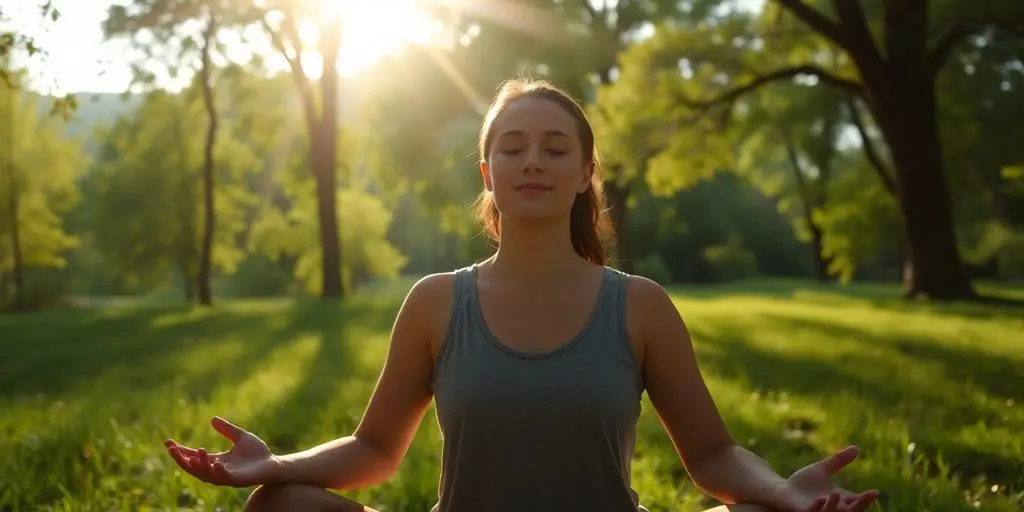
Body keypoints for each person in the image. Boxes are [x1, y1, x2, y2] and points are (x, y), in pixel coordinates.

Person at [163, 78, 881, 512]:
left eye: (554, 147)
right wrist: (276, 465)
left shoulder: (639, 306)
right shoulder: (437, 302)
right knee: (279, 505)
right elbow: (377, 448)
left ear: (583, 175)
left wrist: (786, 495)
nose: (531, 159)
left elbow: (715, 455)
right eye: (512, 146)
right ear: (488, 172)